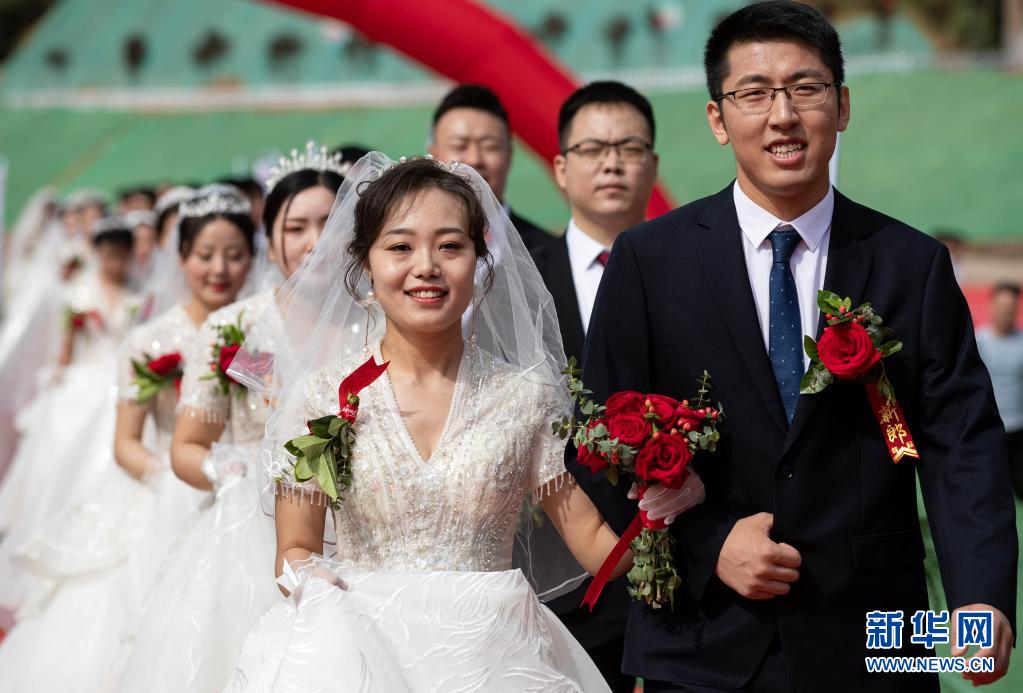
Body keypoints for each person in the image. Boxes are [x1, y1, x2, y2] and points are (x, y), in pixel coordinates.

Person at [574, 2, 1017, 691]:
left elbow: (960, 440)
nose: (781, 115)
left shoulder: (910, 263)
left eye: (805, 88)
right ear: (718, 118)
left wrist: (980, 597)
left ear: (841, 106)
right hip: (701, 642)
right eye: (753, 93)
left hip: (870, 639)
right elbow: (600, 436)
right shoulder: (649, 261)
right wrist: (710, 541)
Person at [221, 154, 666, 692]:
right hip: (363, 656)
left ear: (480, 260)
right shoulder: (321, 398)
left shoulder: (526, 398)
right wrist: (320, 593)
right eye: (400, 247)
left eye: (450, 246)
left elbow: (594, 542)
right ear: (365, 263)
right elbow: (294, 548)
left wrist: (663, 506)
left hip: (496, 660)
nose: (427, 266)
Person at [0, 186, 255, 692]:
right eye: (205, 255)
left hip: (243, 488)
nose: (219, 269)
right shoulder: (148, 341)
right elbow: (126, 444)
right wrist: (172, 478)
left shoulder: (256, 334)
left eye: (234, 255)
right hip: (166, 486)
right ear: (180, 257)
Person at [118, 146, 344, 693]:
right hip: (253, 532)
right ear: (271, 236)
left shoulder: (385, 321)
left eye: (329, 224)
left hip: (357, 528)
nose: (314, 242)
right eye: (296, 227)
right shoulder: (235, 327)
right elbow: (187, 445)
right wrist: (228, 473)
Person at [531, 80, 663, 692]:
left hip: (685, 570)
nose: (612, 163)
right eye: (592, 149)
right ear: (561, 168)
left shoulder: (697, 274)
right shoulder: (521, 287)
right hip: (561, 580)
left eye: (629, 148)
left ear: (652, 165)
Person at [0, 215, 141, 611]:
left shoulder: (136, 295)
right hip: (82, 383)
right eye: (109, 255)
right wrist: (58, 377)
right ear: (97, 253)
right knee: (61, 458)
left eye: (122, 255)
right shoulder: (77, 293)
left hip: (116, 383)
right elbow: (65, 348)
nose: (116, 263)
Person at [428, 83, 553, 252]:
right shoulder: (406, 248)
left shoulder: (548, 252)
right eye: (459, 146)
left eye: (490, 146)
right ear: (433, 156)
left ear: (509, 156)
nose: (474, 160)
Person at [977, 282, 1023, 498]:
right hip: (988, 427)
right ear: (992, 305)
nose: (1006, 310)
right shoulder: (977, 341)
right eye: (1002, 305)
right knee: (990, 491)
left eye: (1011, 306)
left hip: (1019, 427)